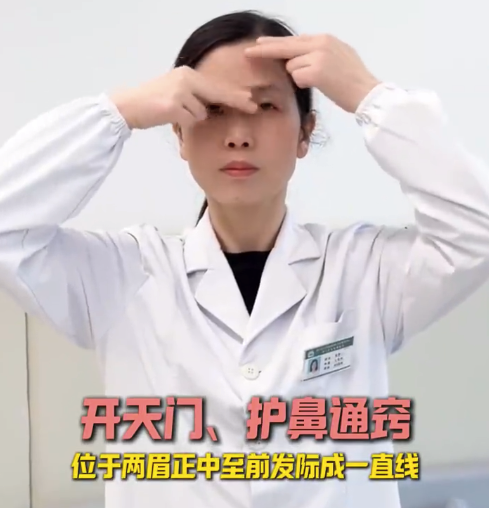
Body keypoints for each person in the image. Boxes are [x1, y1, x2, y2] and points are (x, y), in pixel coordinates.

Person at [1, 8, 489, 508]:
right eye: (213, 108)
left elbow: (477, 231)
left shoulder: (364, 271)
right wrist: (119, 111)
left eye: (266, 106)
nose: (238, 134)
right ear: (178, 132)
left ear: (305, 133)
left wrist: (370, 95)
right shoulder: (122, 273)